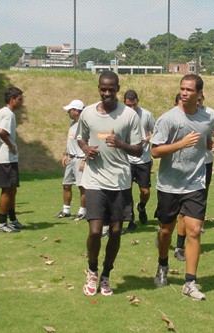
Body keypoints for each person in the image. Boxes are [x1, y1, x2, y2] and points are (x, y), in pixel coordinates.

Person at [151, 74, 214, 301]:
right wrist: (181, 144)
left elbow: (206, 141)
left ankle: (190, 282)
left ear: (199, 94)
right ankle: (163, 264)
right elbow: (154, 151)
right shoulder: (168, 119)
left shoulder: (207, 118)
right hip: (169, 184)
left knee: (193, 230)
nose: (184, 93)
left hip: (195, 182)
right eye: (182, 89)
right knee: (165, 231)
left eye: (189, 90)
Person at [77, 71, 142, 296]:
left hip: (120, 181)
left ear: (118, 88)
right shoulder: (87, 113)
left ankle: (106, 274)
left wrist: (120, 143)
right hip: (94, 179)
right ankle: (92, 270)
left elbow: (139, 149)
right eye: (103, 89)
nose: (106, 93)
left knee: (115, 231)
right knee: (95, 231)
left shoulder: (129, 116)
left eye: (111, 89)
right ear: (98, 88)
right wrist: (85, 149)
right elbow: (80, 137)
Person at [174, 93, 214, 261]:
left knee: (199, 196)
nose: (198, 103)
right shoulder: (177, 116)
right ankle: (173, 239)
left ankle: (189, 234)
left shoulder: (210, 115)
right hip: (182, 166)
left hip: (204, 164)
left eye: (201, 100)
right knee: (179, 209)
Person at [0, 87, 25, 233]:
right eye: (20, 99)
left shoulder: (2, 112)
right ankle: (2, 223)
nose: (21, 103)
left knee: (12, 189)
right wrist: (11, 146)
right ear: (13, 99)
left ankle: (13, 220)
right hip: (5, 159)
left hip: (6, 158)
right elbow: (1, 132)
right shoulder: (8, 114)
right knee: (6, 191)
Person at [123, 89, 155, 232]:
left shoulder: (146, 114)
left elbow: (156, 132)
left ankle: (141, 206)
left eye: (134, 105)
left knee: (145, 191)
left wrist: (146, 140)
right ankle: (131, 219)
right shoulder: (121, 116)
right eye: (129, 105)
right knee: (126, 190)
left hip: (143, 159)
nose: (132, 108)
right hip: (126, 160)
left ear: (137, 102)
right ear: (124, 103)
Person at [54, 99, 87, 221]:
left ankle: (82, 211)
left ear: (77, 111)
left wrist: (84, 159)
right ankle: (66, 210)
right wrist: (65, 154)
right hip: (71, 159)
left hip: (80, 159)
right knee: (66, 185)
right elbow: (70, 141)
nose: (68, 112)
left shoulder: (84, 125)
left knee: (82, 186)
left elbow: (89, 143)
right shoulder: (72, 124)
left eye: (70, 110)